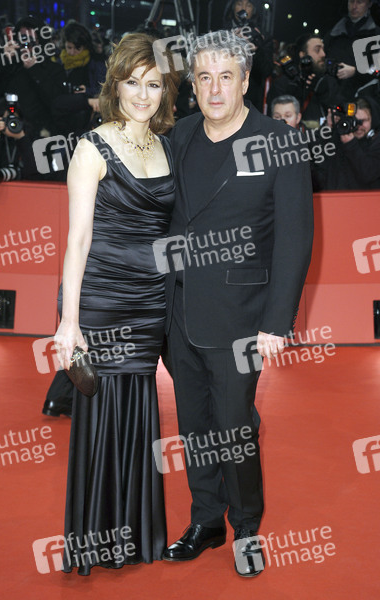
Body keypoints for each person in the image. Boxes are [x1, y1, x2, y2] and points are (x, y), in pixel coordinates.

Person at [161, 31, 313, 577]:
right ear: (193, 84)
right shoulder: (178, 135)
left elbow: (295, 238)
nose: (215, 88)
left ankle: (246, 528)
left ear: (246, 81)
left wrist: (277, 322)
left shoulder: (278, 141)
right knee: (194, 426)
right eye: (204, 77)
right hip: (178, 313)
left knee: (235, 428)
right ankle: (206, 520)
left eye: (226, 76)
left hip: (241, 318)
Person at [53, 32, 179, 575]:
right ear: (115, 86)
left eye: (153, 84)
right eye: (133, 83)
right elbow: (78, 238)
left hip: (150, 301)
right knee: (101, 410)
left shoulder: (167, 145)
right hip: (104, 298)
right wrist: (69, 321)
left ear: (165, 90)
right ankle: (94, 539)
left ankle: (134, 533)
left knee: (139, 405)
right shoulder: (92, 147)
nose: (143, 95)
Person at [267, 33, 343, 128]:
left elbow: (340, 111)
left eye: (323, 50)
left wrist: (324, 94)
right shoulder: (283, 83)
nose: (323, 54)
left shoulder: (328, 82)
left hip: (324, 135)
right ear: (302, 55)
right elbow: (274, 121)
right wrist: (299, 93)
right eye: (317, 50)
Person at [314, 96, 380, 189]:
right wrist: (327, 127)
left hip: (366, 197)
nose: (358, 126)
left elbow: (368, 174)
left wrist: (350, 144)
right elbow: (315, 159)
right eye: (354, 120)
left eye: (363, 121)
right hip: (332, 196)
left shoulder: (376, 142)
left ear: (373, 120)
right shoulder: (337, 136)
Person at [325, 0, 380, 98]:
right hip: (332, 95)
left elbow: (377, 68)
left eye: (359, 2)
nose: (354, 6)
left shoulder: (375, 34)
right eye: (351, 1)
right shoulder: (333, 34)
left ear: (369, 4)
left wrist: (356, 71)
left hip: (362, 98)